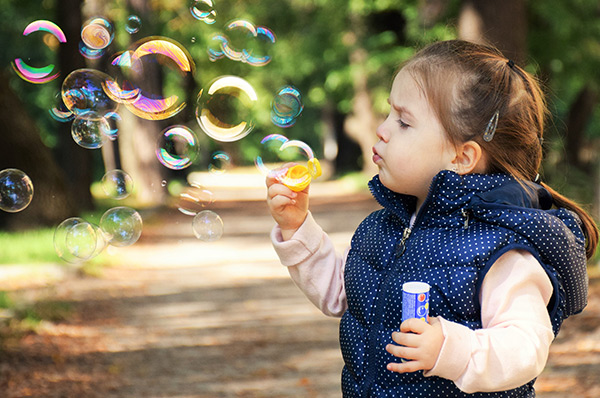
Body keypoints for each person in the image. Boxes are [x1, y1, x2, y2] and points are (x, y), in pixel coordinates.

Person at [266, 39, 598, 397]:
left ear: (461, 157)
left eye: (404, 122)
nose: (382, 129)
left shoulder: (499, 249)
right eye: (389, 113)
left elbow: (525, 346)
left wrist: (450, 349)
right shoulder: (384, 228)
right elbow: (344, 293)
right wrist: (297, 227)